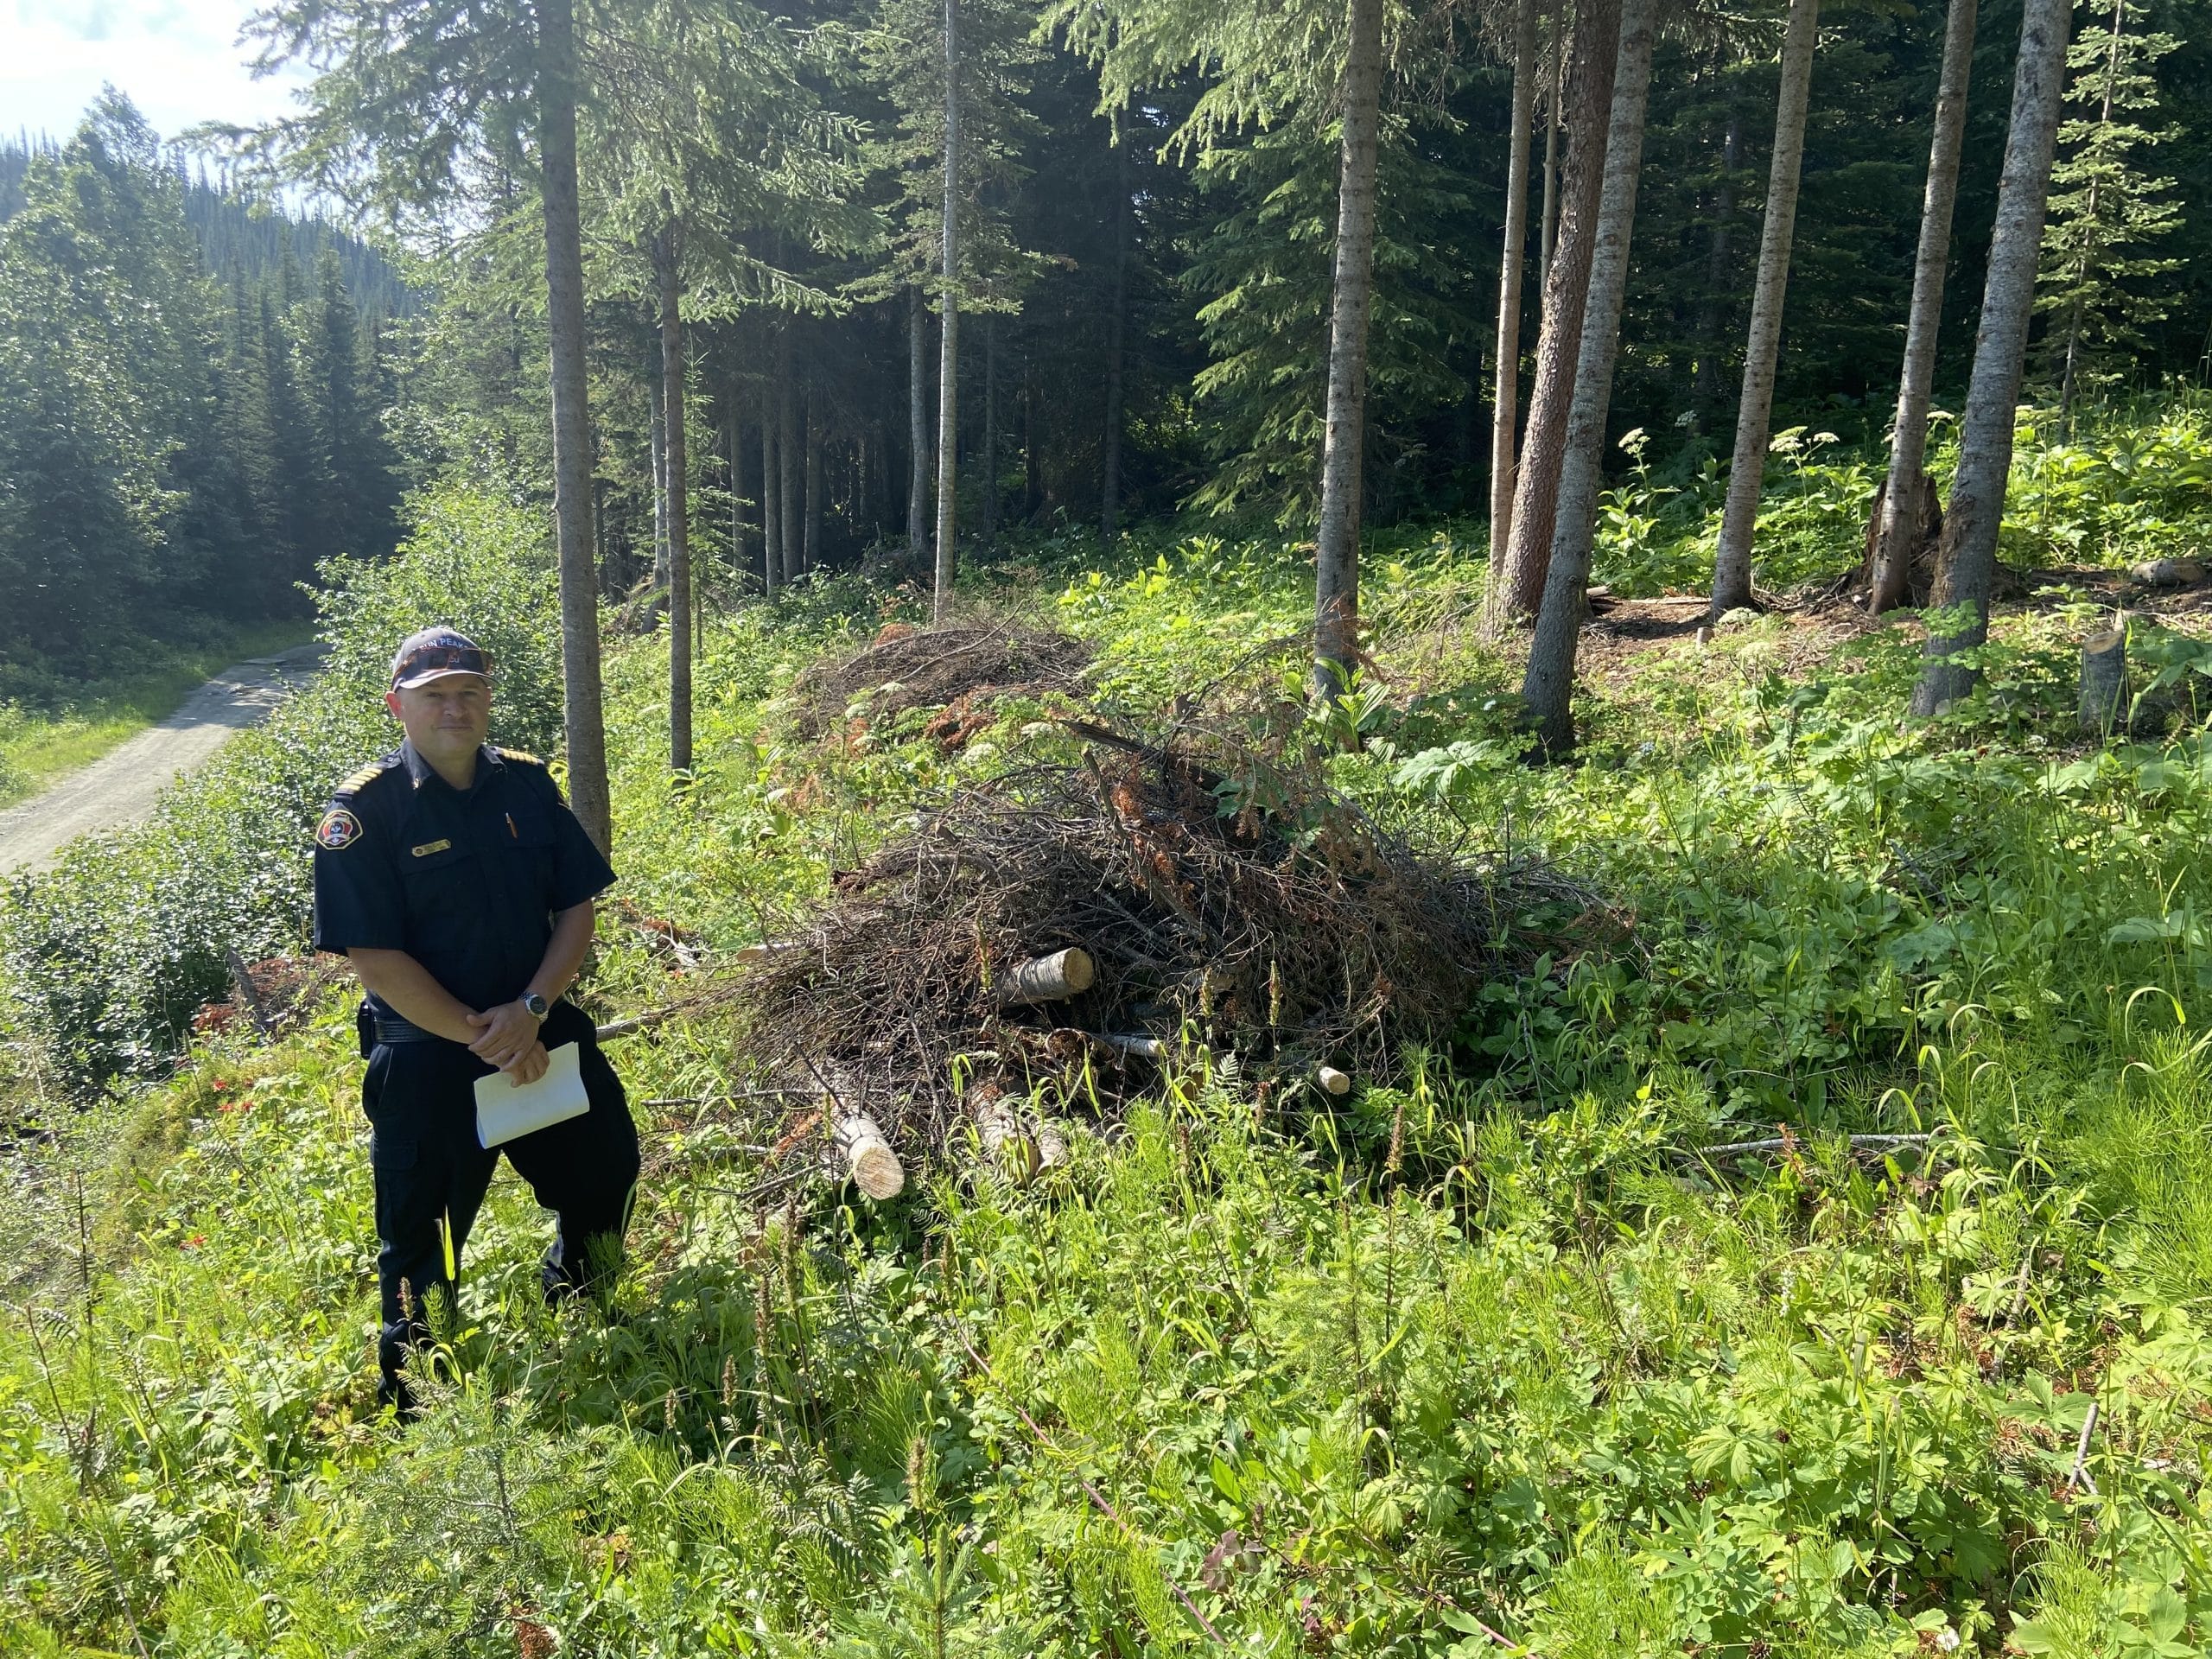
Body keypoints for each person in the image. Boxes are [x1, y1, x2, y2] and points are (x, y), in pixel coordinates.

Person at [312, 626, 639, 1415]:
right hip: (430, 1059)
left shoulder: (528, 786)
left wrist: (529, 1014)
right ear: (399, 706)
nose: (453, 709)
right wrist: (487, 1036)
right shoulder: (364, 813)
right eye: (434, 696)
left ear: (487, 700)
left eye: (468, 692)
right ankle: (419, 1407)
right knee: (422, 1241)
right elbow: (376, 960)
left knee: (605, 1170)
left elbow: (575, 910)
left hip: (539, 1029)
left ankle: (583, 1299)